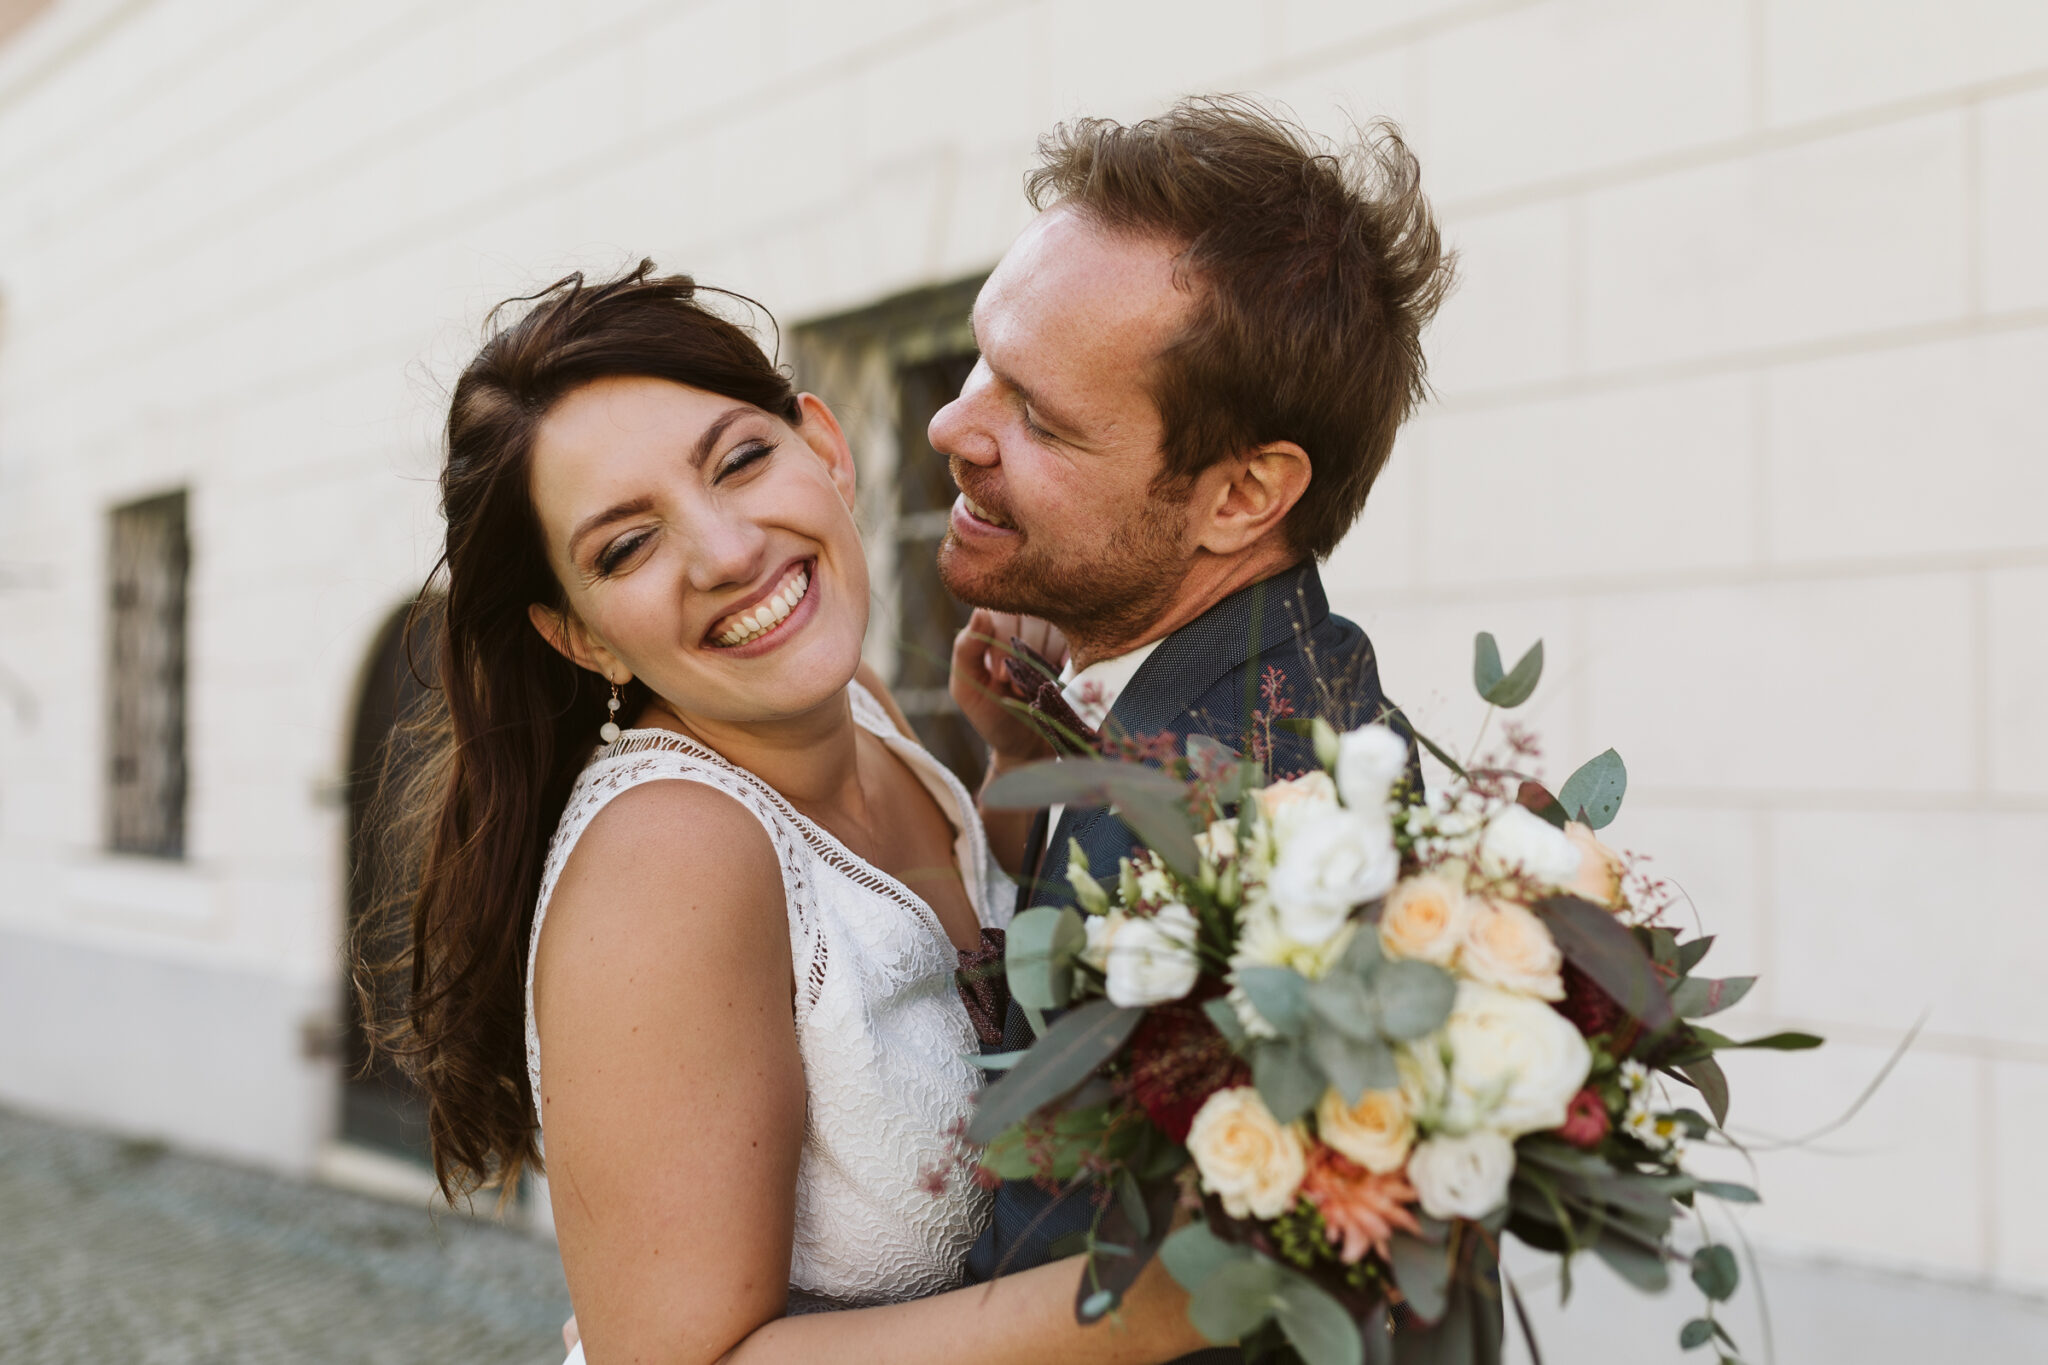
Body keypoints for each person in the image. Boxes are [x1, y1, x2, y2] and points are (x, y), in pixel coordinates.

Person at [381, 265, 1209, 1364]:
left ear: (822, 446)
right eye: (624, 547)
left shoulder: (862, 712)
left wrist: (1011, 770)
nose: (726, 553)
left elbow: (937, 983)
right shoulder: (673, 853)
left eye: (738, 460)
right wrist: (1135, 1313)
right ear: (579, 635)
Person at [935, 97, 1454, 1358]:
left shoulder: (1209, 843)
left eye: (1038, 417)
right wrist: (1029, 776)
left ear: (1240, 495)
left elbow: (1081, 1317)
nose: (953, 426)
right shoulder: (1305, 687)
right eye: (978, 360)